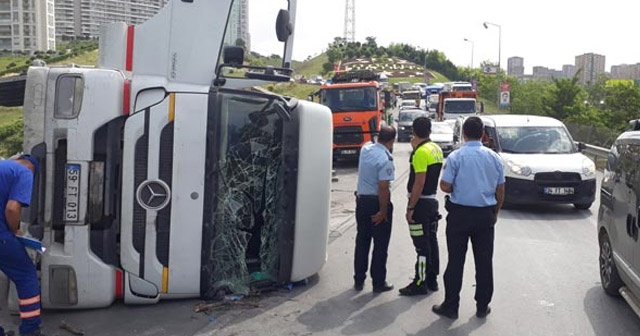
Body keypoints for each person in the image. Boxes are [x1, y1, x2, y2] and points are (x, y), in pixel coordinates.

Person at [432, 116, 505, 319]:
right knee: (484, 262)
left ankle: (451, 305)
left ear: (463, 133)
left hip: (459, 215)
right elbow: (500, 189)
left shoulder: (456, 157)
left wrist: (460, 186)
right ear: (483, 134)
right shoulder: (494, 158)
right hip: (485, 216)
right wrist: (495, 212)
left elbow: (445, 186)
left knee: (455, 261)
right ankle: (482, 306)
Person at [0, 154, 44, 336]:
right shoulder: (24, 172)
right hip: (2, 236)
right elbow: (12, 208)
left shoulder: (4, 166)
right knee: (26, 274)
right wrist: (16, 229)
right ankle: (30, 329)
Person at [399, 117, 443, 296]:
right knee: (431, 241)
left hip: (420, 205)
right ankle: (432, 279)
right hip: (432, 202)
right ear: (430, 130)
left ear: (414, 132)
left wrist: (411, 208)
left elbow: (419, 182)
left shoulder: (420, 153)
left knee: (421, 246)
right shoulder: (435, 149)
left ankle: (420, 281)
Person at [353, 126, 396, 293]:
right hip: (376, 203)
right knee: (380, 245)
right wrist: (383, 211)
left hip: (361, 201)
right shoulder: (386, 159)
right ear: (392, 141)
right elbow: (383, 188)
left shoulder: (366, 149)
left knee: (362, 241)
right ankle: (378, 282)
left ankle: (359, 279)